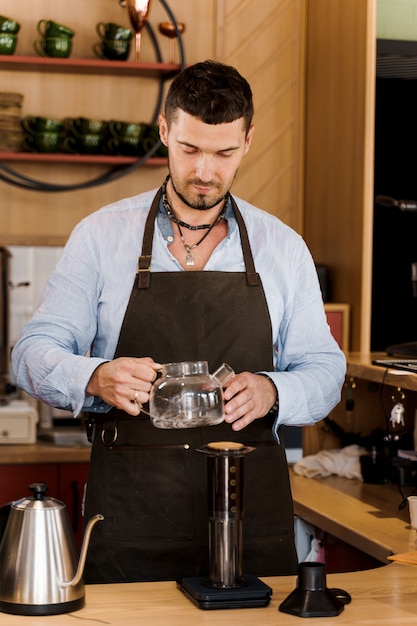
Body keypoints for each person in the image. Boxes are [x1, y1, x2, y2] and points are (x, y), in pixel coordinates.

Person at [12, 60, 346, 584]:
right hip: (131, 525)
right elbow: (30, 353)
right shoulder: (100, 237)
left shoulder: (283, 247)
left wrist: (271, 389)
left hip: (249, 527)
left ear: (248, 140)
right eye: (190, 149)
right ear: (164, 130)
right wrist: (96, 377)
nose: (205, 171)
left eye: (224, 153)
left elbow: (326, 371)